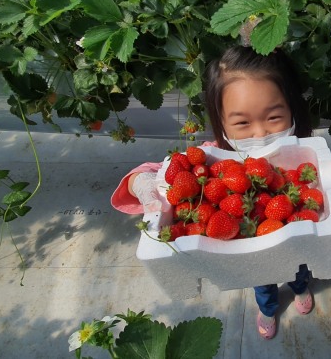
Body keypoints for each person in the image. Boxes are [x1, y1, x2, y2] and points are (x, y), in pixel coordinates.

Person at [110, 45, 317, 340]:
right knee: (263, 286)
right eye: (242, 122)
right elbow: (153, 172)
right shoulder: (211, 160)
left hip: (295, 248)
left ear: (292, 109)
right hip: (250, 258)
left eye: (273, 118)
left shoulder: (304, 160)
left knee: (298, 273)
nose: (259, 133)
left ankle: (300, 290)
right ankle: (269, 309)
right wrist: (142, 184)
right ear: (220, 122)